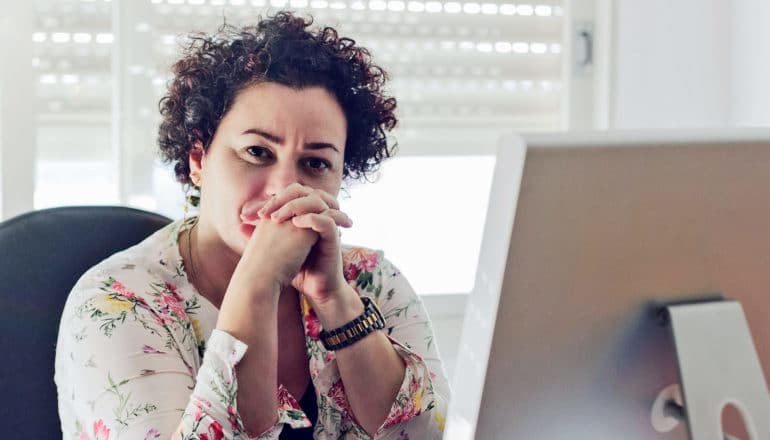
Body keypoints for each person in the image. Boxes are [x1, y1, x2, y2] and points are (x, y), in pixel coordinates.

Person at [54, 11, 449, 440]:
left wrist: (336, 301)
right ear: (199, 159)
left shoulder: (372, 282)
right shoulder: (115, 304)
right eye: (257, 152)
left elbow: (429, 435)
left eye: (315, 163)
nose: (284, 188)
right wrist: (258, 283)